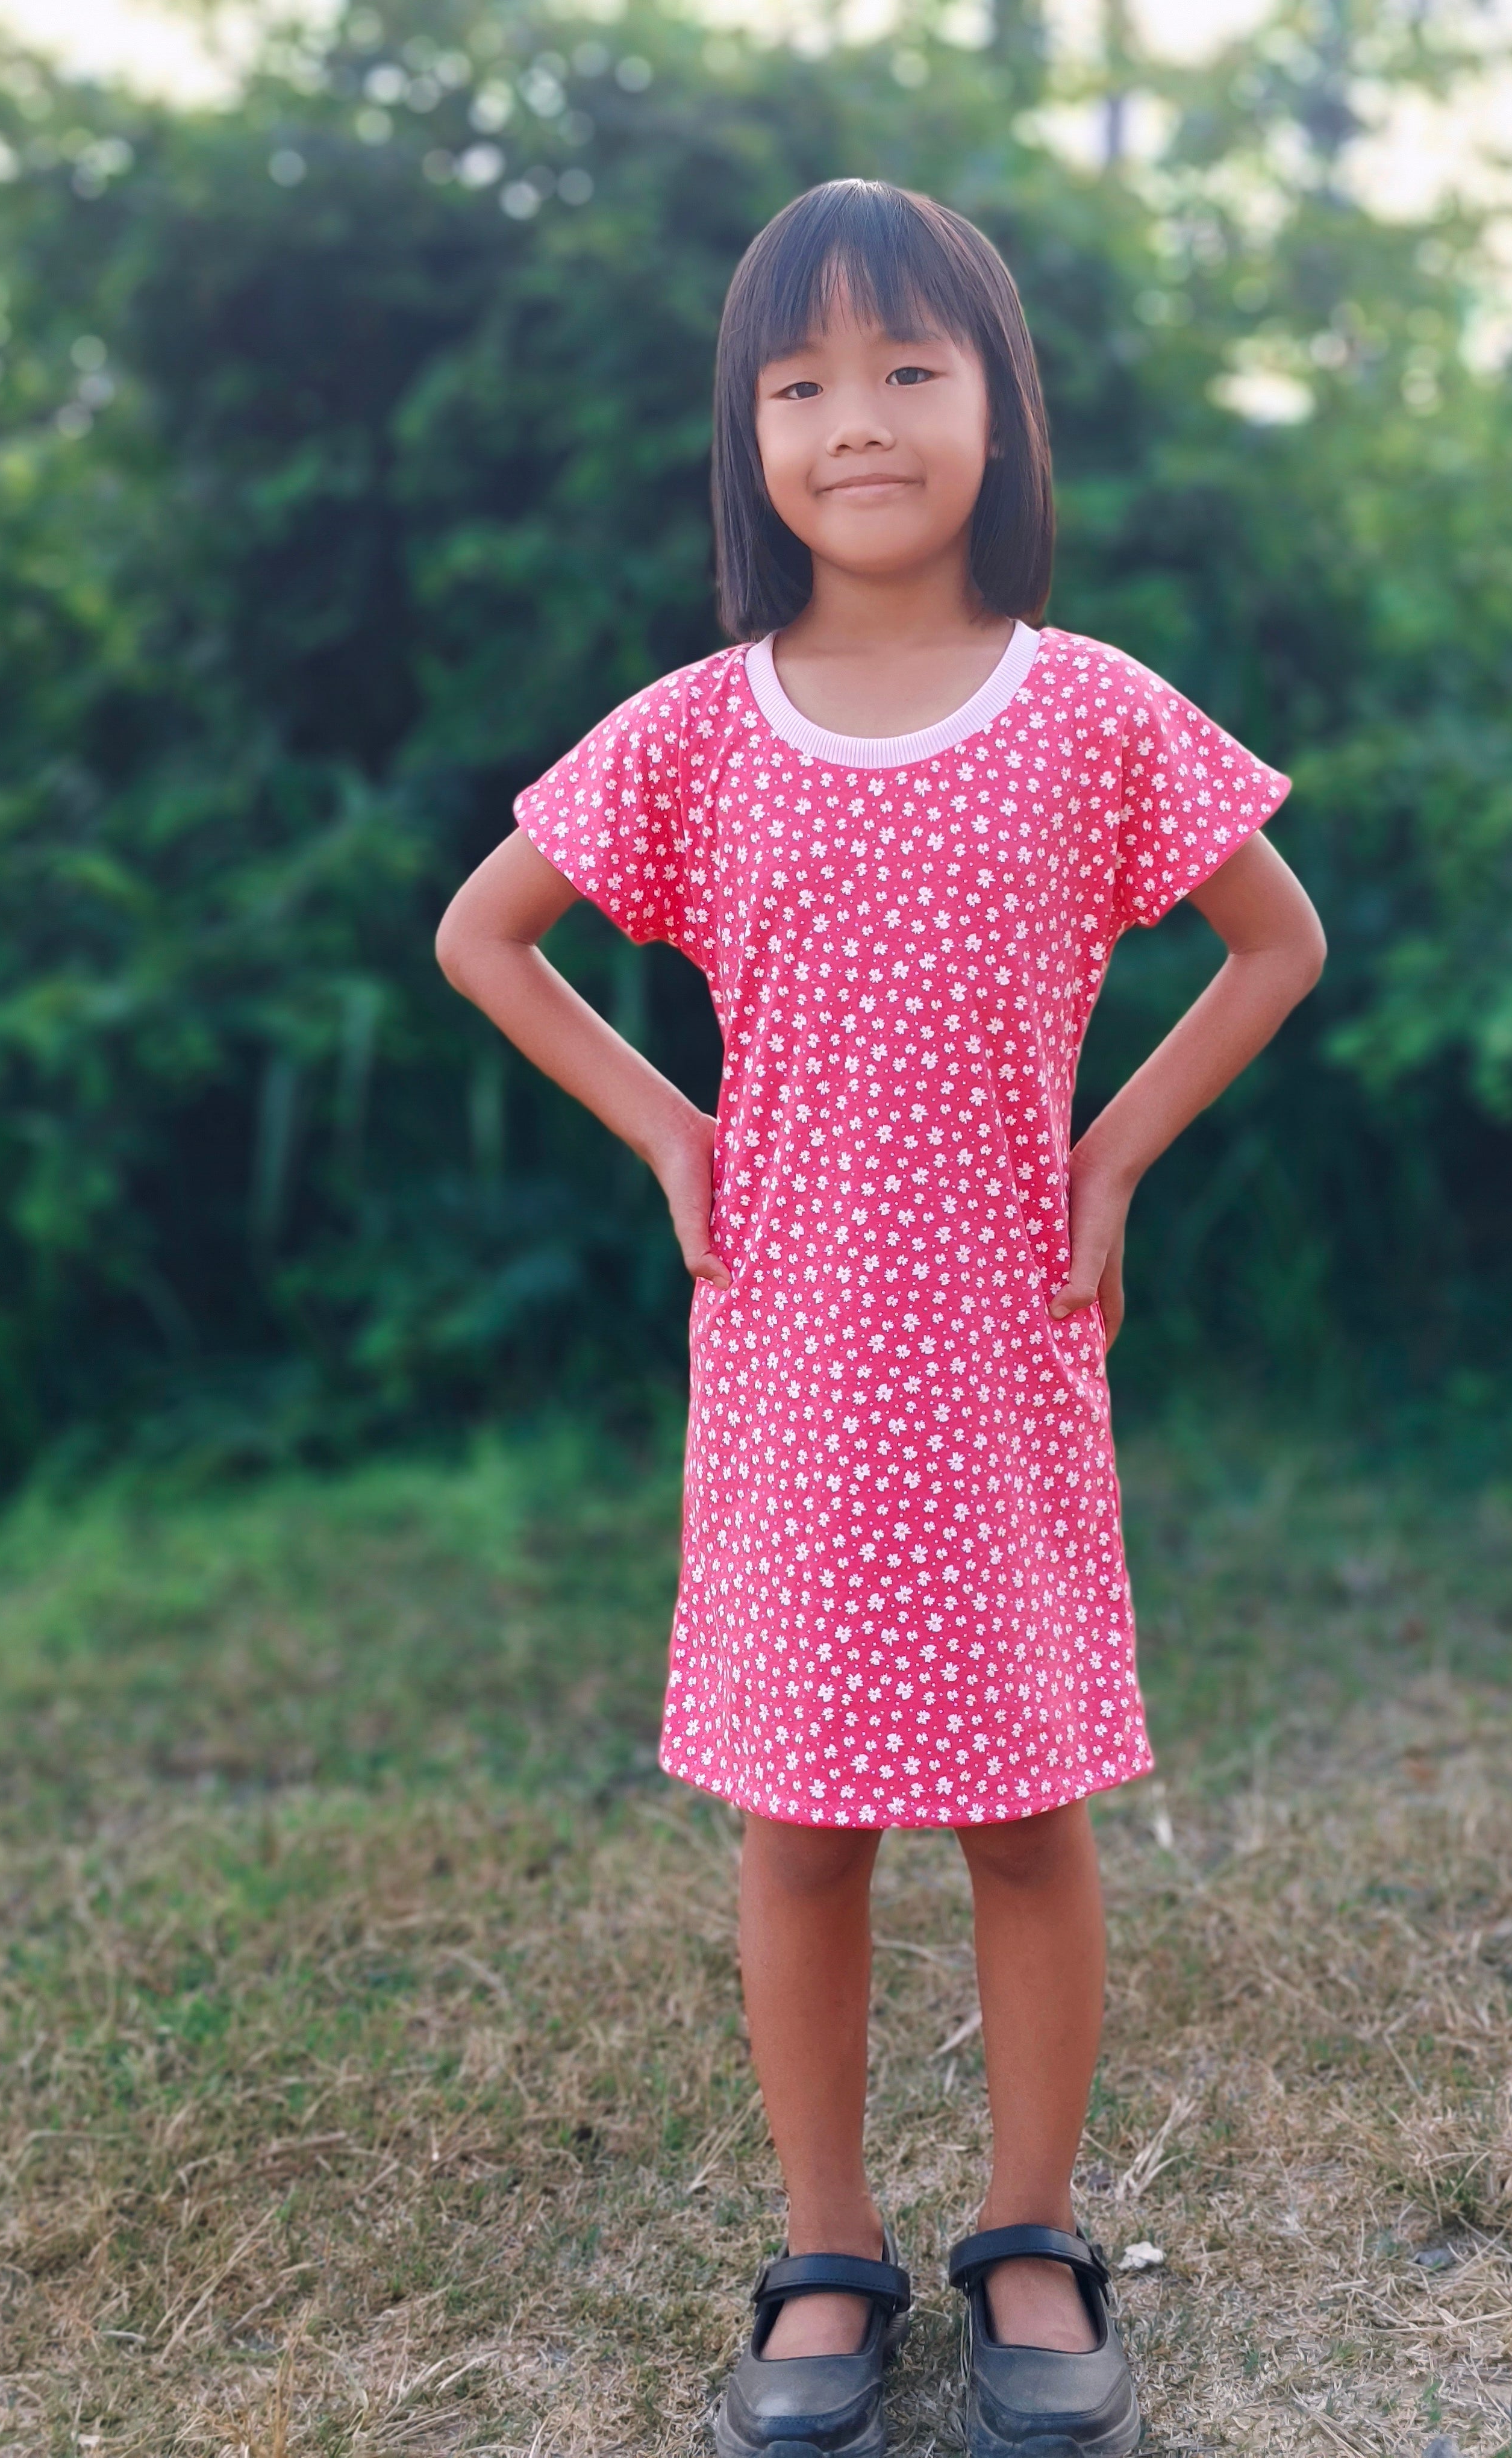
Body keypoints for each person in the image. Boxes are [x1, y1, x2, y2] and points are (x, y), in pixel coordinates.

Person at [437, 177, 1325, 2458]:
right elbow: (485, 933)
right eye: (801, 380)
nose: (857, 421)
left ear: (997, 413)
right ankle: (824, 2246)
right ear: (748, 434)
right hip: (795, 1364)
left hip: (1009, 1354)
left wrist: (1112, 1152)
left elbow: (1273, 941)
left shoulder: (1094, 707)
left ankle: (1030, 2234)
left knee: (1027, 1811)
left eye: (909, 369)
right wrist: (665, 1132)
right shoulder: (701, 731)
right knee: (798, 1822)